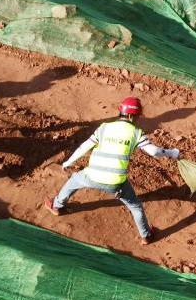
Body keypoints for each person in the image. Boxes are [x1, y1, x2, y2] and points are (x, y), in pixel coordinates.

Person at [45, 96, 180, 245]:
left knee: (73, 181)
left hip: (91, 176)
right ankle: (146, 236)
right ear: (131, 116)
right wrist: (172, 153)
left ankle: (57, 206)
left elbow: (84, 146)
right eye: (137, 116)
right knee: (135, 206)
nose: (138, 119)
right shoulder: (136, 132)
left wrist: (68, 162)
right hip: (115, 183)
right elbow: (155, 152)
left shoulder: (104, 127)